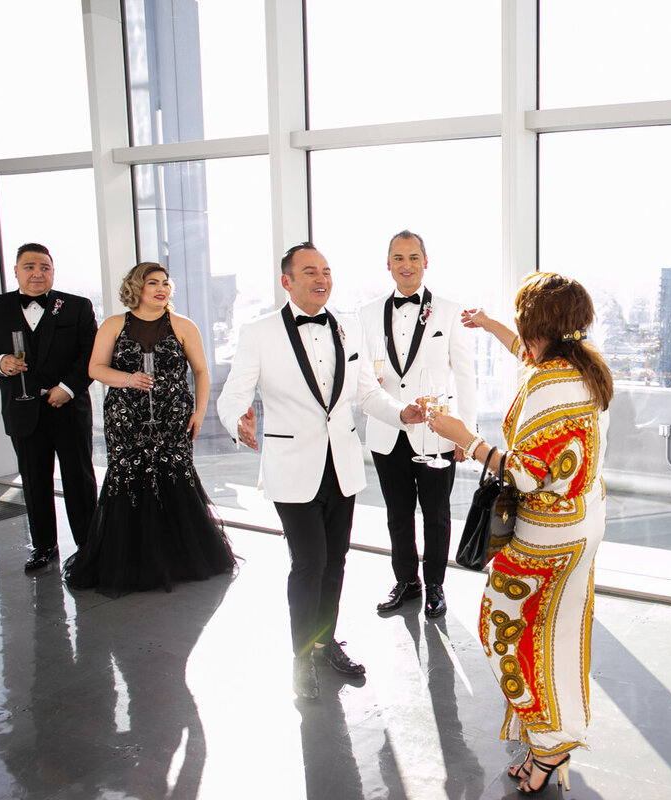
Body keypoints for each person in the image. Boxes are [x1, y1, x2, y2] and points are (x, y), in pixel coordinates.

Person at [427, 272, 612, 795]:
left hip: (544, 534)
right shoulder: (584, 367)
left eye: (522, 324)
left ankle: (549, 745)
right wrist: (489, 327)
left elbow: (524, 475)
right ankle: (548, 739)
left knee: (501, 631)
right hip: (582, 521)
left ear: (541, 328)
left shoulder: (544, 386)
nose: (520, 335)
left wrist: (465, 439)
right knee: (554, 635)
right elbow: (530, 359)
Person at [216, 242, 424, 701]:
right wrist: (239, 422)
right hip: (292, 466)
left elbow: (367, 394)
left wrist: (402, 413)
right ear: (287, 281)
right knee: (308, 563)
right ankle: (299, 660)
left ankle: (325, 643)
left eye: (326, 270)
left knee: (335, 563)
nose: (321, 278)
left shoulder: (350, 327)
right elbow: (231, 398)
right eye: (310, 271)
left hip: (342, 465)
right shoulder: (259, 333)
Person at [63, 262, 236, 595]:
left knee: (175, 476)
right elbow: (96, 368)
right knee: (129, 479)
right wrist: (128, 379)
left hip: (174, 417)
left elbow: (200, 371)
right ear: (136, 288)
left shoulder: (183, 325)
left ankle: (181, 560)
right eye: (152, 282)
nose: (161, 288)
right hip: (126, 417)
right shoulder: (114, 325)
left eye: (165, 283)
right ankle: (130, 563)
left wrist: (200, 411)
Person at [361, 230, 476, 619]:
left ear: (426, 262)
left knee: (437, 515)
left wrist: (468, 434)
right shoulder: (367, 312)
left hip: (438, 433)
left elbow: (465, 377)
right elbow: (363, 371)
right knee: (397, 514)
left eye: (413, 257)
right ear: (388, 264)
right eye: (398, 258)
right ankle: (407, 582)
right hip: (388, 429)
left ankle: (436, 586)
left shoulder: (448, 311)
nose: (406, 265)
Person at [0, 242, 98, 573]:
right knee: (34, 479)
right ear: (16, 270)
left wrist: (66, 389)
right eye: (29, 267)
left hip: (68, 406)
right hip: (22, 408)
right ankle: (43, 547)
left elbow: (92, 356)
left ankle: (90, 545)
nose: (37, 273)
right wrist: (0, 361)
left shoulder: (77, 307)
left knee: (78, 478)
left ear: (53, 271)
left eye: (44, 267)